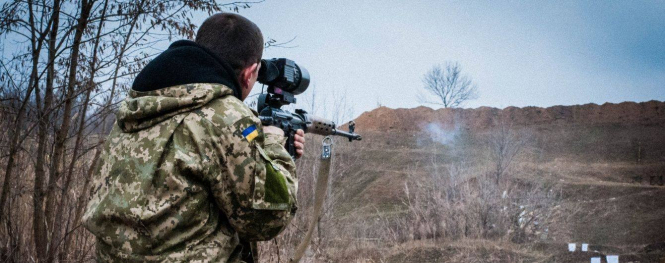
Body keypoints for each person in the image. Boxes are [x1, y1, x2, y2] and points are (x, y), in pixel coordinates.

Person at [83, 13, 304, 263]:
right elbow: (266, 220)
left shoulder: (142, 102)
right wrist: (274, 145)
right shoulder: (226, 115)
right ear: (250, 73)